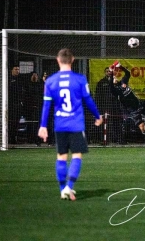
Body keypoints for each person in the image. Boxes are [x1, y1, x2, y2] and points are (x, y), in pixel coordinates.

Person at [38, 48, 103, 201]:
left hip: (60, 124)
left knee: (61, 157)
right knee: (76, 155)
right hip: (75, 124)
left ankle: (63, 190)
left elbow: (46, 106)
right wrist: (97, 116)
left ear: (58, 60)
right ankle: (69, 186)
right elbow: (88, 101)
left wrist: (43, 126)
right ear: (73, 60)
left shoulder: (50, 81)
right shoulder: (80, 79)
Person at [108, 61, 145, 150]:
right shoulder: (115, 91)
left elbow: (128, 73)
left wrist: (121, 67)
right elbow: (111, 86)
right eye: (113, 78)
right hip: (133, 111)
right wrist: (111, 72)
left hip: (140, 104)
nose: (114, 78)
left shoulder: (123, 82)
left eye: (114, 77)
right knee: (143, 128)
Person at [95, 67, 122, 144]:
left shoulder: (116, 82)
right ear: (105, 72)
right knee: (105, 122)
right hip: (105, 105)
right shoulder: (101, 82)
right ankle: (105, 140)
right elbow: (98, 95)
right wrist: (99, 105)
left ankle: (118, 139)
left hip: (115, 105)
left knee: (116, 121)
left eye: (109, 71)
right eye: (107, 71)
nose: (108, 73)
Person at [8, 65, 25, 144]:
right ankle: (8, 138)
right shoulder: (8, 79)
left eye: (18, 69)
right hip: (10, 104)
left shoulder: (20, 80)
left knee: (16, 122)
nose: (17, 70)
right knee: (10, 121)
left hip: (18, 104)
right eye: (15, 69)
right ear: (12, 70)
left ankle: (14, 138)